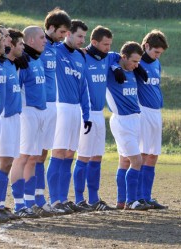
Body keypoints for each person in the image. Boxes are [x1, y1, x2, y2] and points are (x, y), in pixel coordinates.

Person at [73, 25, 121, 211]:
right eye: (105, 44)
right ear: (94, 42)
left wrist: (116, 66)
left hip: (100, 114)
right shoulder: (82, 56)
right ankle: (79, 199)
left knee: (97, 157)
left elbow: (118, 56)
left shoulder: (108, 58)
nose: (108, 47)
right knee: (83, 157)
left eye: (110, 44)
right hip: (85, 112)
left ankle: (94, 198)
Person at [46, 20, 91, 213]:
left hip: (76, 111)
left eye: (84, 37)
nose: (83, 41)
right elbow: (45, 41)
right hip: (61, 107)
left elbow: (83, 89)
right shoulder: (56, 50)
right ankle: (54, 200)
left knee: (70, 155)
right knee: (58, 153)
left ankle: (63, 198)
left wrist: (86, 114)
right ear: (67, 34)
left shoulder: (81, 57)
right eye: (79, 36)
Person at [33, 7, 71, 216]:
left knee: (43, 153)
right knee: (32, 155)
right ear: (50, 28)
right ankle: (31, 199)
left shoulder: (56, 47)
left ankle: (41, 198)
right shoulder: (37, 45)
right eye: (62, 32)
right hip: (37, 106)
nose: (65, 37)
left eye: (67, 33)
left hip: (52, 105)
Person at [106, 41, 149, 211]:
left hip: (135, 119)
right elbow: (106, 57)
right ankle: (132, 201)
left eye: (139, 62)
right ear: (123, 57)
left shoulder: (133, 71)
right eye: (134, 61)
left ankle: (121, 201)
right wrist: (116, 66)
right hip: (122, 121)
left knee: (124, 161)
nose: (136, 65)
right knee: (136, 160)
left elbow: (134, 66)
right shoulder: (112, 72)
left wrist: (135, 66)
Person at [10, 26, 47, 217]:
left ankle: (29, 201)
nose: (45, 40)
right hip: (27, 113)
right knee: (22, 157)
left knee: (34, 158)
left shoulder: (37, 59)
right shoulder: (23, 62)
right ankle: (18, 204)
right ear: (30, 40)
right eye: (41, 37)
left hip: (40, 112)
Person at [0, 28, 24, 219]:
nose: (8, 42)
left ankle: (0, 205)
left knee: (9, 163)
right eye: (5, 39)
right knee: (2, 162)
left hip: (14, 119)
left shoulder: (11, 64)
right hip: (2, 118)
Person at [136, 29, 169, 209]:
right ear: (146, 46)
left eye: (160, 53)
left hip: (156, 112)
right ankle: (138, 196)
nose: (157, 56)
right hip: (143, 111)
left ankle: (147, 197)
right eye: (156, 52)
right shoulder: (137, 62)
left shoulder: (156, 63)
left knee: (153, 154)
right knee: (142, 153)